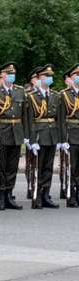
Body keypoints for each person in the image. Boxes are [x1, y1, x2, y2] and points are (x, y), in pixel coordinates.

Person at [0, 63, 28, 210]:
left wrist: (25, 135)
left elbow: (24, 114)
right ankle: (0, 196)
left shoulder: (20, 91)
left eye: (14, 74)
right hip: (2, 132)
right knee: (2, 167)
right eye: (9, 74)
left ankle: (9, 195)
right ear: (3, 75)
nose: (12, 76)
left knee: (13, 167)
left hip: (16, 133)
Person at [28, 65, 64, 209]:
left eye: (51, 76)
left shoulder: (55, 96)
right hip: (39, 135)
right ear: (40, 78)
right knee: (39, 167)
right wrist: (31, 140)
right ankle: (37, 196)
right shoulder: (31, 97)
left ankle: (45, 195)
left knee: (48, 167)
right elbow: (29, 119)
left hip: (52, 134)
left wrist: (61, 139)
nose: (49, 79)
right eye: (46, 76)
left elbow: (59, 119)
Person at [60, 64, 79, 207]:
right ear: (71, 78)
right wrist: (62, 138)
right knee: (73, 167)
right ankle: (72, 195)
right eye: (76, 75)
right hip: (72, 133)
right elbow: (61, 119)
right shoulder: (64, 95)